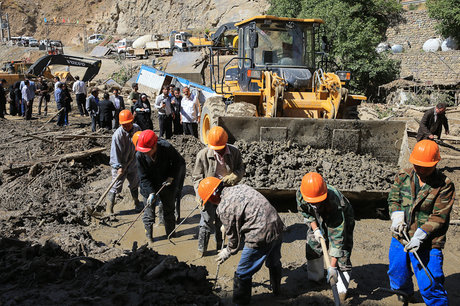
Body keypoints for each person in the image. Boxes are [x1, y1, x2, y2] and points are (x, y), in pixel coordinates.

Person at [387, 140, 455, 305]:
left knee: (430, 282)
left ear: (435, 163)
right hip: (401, 236)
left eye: (426, 166)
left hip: (429, 242)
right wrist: (396, 217)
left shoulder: (444, 186)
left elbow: (440, 216)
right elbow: (394, 199)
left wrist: (421, 234)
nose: (421, 170)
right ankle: (405, 294)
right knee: (397, 272)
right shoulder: (403, 176)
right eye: (418, 165)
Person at [197, 177, 284, 304]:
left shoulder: (224, 207)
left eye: (209, 200)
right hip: (277, 225)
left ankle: (240, 303)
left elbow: (234, 241)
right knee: (274, 260)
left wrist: (227, 251)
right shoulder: (241, 187)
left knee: (242, 273)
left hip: (260, 234)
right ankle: (277, 291)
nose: (211, 202)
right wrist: (226, 225)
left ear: (213, 196)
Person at [296, 172, 355, 302]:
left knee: (343, 253)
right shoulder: (303, 194)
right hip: (318, 218)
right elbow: (306, 213)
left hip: (340, 217)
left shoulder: (334, 202)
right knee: (313, 244)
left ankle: (341, 291)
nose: (315, 205)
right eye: (312, 202)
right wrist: (316, 229)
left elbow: (337, 239)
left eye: (318, 202)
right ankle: (315, 279)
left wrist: (332, 267)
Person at [193, 126, 245, 256]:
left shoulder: (234, 152)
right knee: (206, 221)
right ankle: (202, 250)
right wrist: (199, 194)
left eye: (220, 148)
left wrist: (235, 176)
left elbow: (241, 169)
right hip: (209, 192)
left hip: (226, 192)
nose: (218, 151)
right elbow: (197, 177)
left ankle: (219, 246)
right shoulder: (203, 155)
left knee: (222, 221)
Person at [135, 130, 186, 242]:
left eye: (149, 151)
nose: (146, 153)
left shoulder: (166, 148)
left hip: (166, 183)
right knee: (149, 213)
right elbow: (143, 177)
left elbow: (179, 162)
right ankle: (149, 239)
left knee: (169, 211)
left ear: (155, 145)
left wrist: (172, 176)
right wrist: (151, 193)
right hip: (149, 185)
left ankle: (171, 235)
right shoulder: (140, 155)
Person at [107, 110, 143, 214]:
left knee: (134, 182)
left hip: (132, 161)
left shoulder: (137, 128)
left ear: (132, 121)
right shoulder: (117, 135)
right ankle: (109, 209)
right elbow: (115, 153)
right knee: (116, 185)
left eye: (128, 124)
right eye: (124, 125)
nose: (126, 127)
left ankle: (137, 202)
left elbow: (140, 143)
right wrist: (118, 167)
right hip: (120, 163)